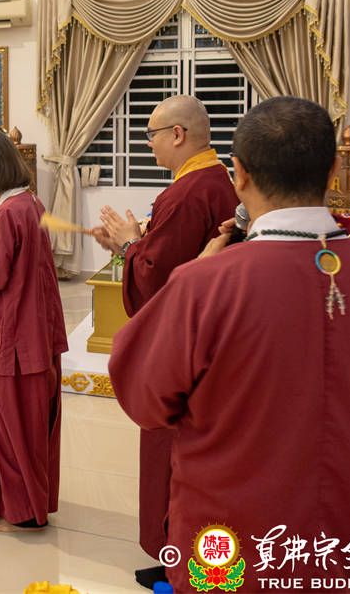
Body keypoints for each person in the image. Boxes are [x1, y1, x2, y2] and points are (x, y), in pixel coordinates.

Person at [110, 97, 350, 592]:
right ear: (333, 171)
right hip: (343, 534)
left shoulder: (205, 283)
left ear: (240, 174)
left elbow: (144, 397)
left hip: (230, 539)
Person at [86, 94, 240, 587]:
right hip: (213, 347)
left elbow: (159, 281)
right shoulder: (214, 181)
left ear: (177, 134)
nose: (148, 144)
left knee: (175, 461)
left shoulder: (189, 193)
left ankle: (181, 564)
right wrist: (130, 245)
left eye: (151, 135)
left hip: (184, 356)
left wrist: (132, 245)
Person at [0, 129, 67, 534]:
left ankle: (23, 512)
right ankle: (28, 502)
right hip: (37, 326)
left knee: (11, 426)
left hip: (13, 333)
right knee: (34, 421)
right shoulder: (31, 202)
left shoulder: (6, 213)